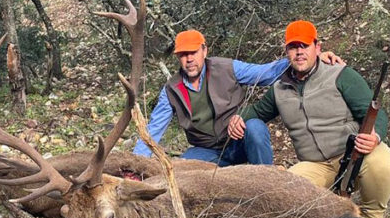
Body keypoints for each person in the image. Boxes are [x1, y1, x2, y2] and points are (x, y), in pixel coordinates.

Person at [232, 20, 390, 218]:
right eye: (293, 47)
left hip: (354, 152)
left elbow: (373, 112)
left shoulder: (341, 74)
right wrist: (239, 117)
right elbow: (257, 111)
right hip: (315, 164)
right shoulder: (279, 88)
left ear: (317, 48)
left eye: (304, 46)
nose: (299, 52)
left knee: (382, 164)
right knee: (284, 195)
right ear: (287, 52)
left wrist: (375, 136)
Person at [134, 29, 344, 166]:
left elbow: (266, 73)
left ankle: (267, 183)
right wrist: (133, 165)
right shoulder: (171, 90)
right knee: (183, 167)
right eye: (183, 54)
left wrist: (310, 60)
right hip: (207, 152)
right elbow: (152, 131)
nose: (189, 59)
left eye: (193, 52)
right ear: (178, 57)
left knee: (255, 127)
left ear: (204, 50)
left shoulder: (228, 68)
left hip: (237, 142)